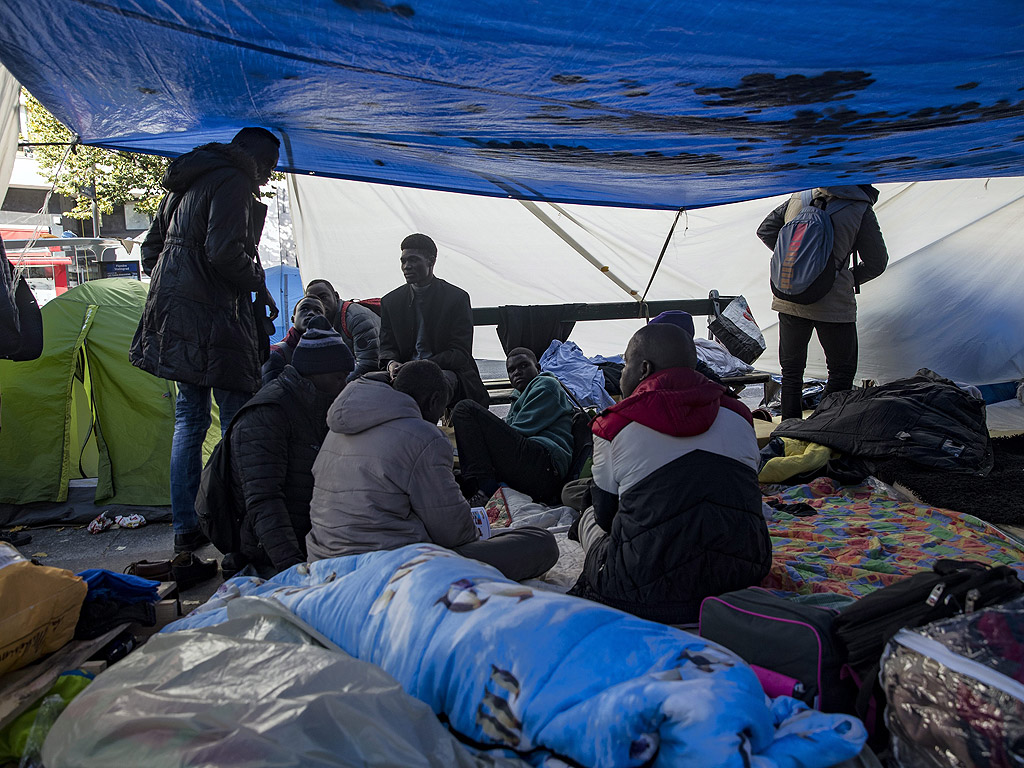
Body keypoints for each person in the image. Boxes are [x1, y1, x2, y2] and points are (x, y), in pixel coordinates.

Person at [130, 126, 281, 555]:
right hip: (214, 317)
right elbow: (223, 252)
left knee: (189, 421)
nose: (268, 177)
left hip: (173, 312)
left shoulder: (186, 182)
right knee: (236, 420)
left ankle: (186, 527)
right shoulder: (233, 181)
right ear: (251, 157)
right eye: (268, 166)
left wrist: (178, 280)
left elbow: (152, 249)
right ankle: (238, 520)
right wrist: (257, 280)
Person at [568, 323, 771, 624]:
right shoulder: (740, 415)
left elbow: (607, 517)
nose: (621, 373)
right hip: (742, 576)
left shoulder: (614, 426)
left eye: (625, 364)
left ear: (644, 369)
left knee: (587, 515)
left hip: (643, 591)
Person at [306, 359, 557, 581]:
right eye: (441, 410)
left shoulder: (338, 429)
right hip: (390, 570)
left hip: (322, 562)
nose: (439, 418)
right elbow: (454, 534)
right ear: (435, 400)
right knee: (541, 543)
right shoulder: (423, 436)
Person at [225, 324, 354, 577]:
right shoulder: (266, 415)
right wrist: (293, 571)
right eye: (338, 377)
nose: (343, 385)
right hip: (273, 552)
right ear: (314, 372)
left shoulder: (318, 404)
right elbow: (264, 501)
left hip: (309, 538)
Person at [757, 185, 889, 420]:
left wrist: (796, 264)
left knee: (791, 373)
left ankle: (789, 434)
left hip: (789, 296)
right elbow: (877, 262)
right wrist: (841, 278)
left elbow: (766, 230)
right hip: (834, 304)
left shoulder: (800, 196)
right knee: (841, 372)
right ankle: (822, 429)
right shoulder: (859, 207)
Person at [451, 347, 574, 506]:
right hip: (532, 466)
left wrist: (483, 436)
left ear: (537, 368)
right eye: (511, 370)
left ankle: (486, 489)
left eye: (524, 366)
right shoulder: (519, 397)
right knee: (457, 478)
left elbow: (519, 431)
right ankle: (478, 486)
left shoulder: (546, 385)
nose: (517, 372)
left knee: (464, 409)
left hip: (545, 465)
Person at [378, 234, 488, 407]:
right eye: (403, 261)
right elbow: (387, 346)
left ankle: (419, 432)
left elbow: (460, 353)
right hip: (403, 371)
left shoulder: (455, 298)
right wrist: (392, 364)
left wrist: (420, 366)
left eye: (413, 260)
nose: (407, 266)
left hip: (445, 370)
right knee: (363, 385)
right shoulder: (391, 301)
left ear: (431, 261)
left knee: (426, 387)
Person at [304, 279, 381, 381]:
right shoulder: (317, 322)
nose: (319, 304)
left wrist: (337, 386)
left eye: (323, 297)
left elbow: (368, 363)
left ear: (336, 296)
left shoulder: (356, 318)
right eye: (313, 300)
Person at [261, 295, 327, 385]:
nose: (311, 313)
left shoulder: (331, 355)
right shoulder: (277, 353)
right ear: (293, 318)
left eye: (318, 311)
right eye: (304, 309)